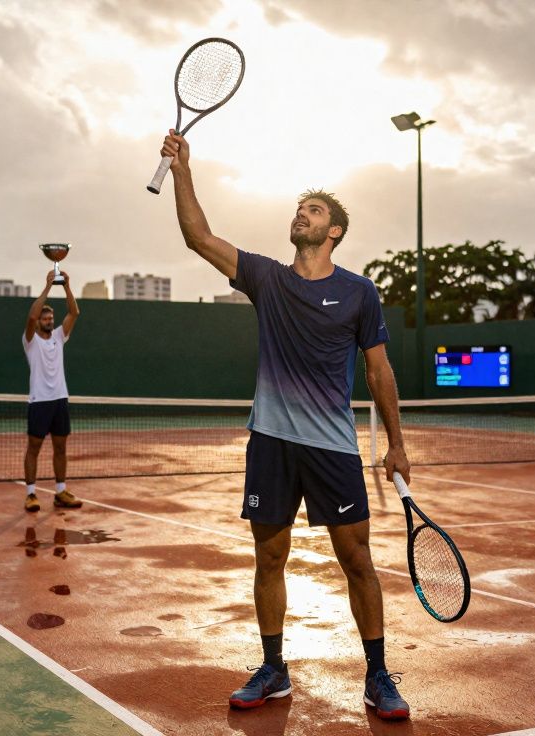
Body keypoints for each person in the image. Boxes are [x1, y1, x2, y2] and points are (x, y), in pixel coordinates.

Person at [159, 130, 413, 721]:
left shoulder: (359, 293)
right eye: (300, 208)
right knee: (269, 558)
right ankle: (273, 669)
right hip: (271, 442)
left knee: (357, 560)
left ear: (335, 231)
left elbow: (378, 370)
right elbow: (199, 237)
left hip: (332, 447)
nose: (302, 214)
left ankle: (377, 675)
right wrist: (182, 170)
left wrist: (397, 444)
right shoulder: (268, 278)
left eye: (315, 210)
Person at [22, 270, 82, 512]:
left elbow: (74, 313)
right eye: (45, 318)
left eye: (51, 318)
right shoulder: (30, 341)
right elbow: (31, 316)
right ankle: (31, 494)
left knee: (60, 448)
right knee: (34, 448)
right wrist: (48, 286)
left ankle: (60, 492)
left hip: (60, 400)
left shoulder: (59, 336)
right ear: (38, 322)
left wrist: (66, 285)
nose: (49, 320)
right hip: (39, 402)